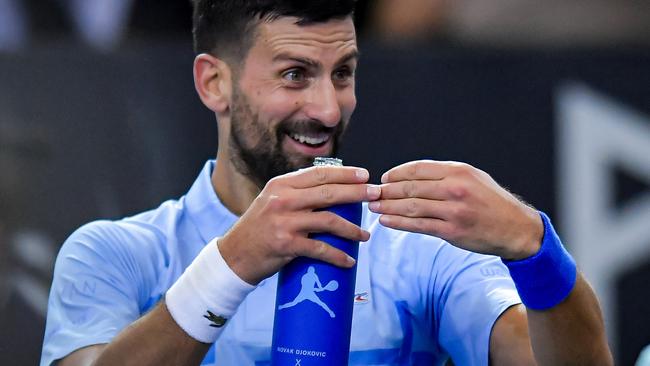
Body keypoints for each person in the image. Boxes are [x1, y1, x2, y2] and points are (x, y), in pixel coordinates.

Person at [41, 1, 613, 365]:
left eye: (343, 74)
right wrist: (237, 260)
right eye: (295, 75)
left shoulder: (421, 253)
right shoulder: (115, 254)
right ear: (214, 83)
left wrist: (537, 250)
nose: (328, 109)